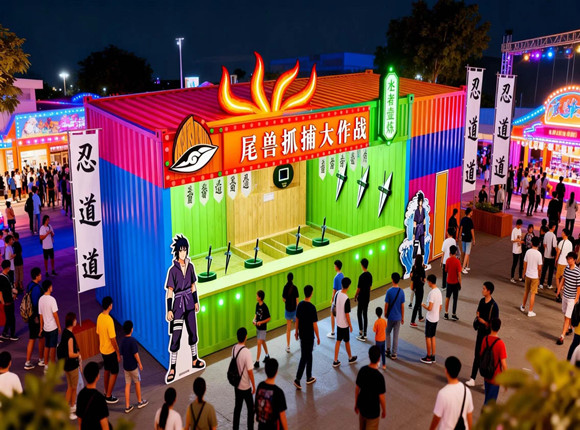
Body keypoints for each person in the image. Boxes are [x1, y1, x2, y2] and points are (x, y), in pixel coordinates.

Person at [465, 282, 499, 387]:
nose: (482, 290)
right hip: (480, 333)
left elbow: (495, 323)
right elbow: (478, 311)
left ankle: (487, 380)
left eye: (484, 289)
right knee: (477, 355)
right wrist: (478, 316)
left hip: (488, 336)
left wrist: (484, 322)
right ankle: (472, 378)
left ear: (489, 291)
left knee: (487, 358)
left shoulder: (494, 306)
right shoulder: (481, 301)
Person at [429, 356, 473, 430]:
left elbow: (437, 417)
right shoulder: (466, 391)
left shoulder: (443, 393)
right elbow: (469, 415)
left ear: (446, 370)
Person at [294, 284, 320, 389]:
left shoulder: (300, 305)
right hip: (309, 336)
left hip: (302, 334)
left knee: (308, 354)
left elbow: (297, 320)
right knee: (305, 356)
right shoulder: (312, 308)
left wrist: (296, 332)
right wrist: (318, 336)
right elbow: (314, 325)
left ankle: (309, 376)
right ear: (311, 293)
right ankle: (297, 379)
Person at [354, 345, 386, 429]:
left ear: (369, 356)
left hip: (362, 408)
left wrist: (356, 404)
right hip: (373, 412)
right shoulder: (379, 377)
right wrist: (384, 410)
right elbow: (381, 397)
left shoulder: (362, 370)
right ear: (379, 359)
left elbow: (357, 389)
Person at [119, 320, 148, 413]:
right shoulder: (133, 341)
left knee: (127, 384)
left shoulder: (122, 341)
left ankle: (127, 406)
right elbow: (136, 354)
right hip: (133, 367)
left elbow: (121, 354)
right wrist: (140, 363)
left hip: (126, 367)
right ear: (131, 329)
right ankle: (140, 401)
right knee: (137, 382)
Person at [96, 296, 120, 404]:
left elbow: (98, 333)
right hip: (110, 351)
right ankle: (109, 396)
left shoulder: (99, 317)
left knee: (107, 370)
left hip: (103, 350)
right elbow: (113, 339)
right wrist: (118, 353)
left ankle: (106, 391)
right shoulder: (109, 320)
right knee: (114, 372)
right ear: (110, 305)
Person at [59, 312, 81, 420]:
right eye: (75, 319)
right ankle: (71, 408)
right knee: (73, 388)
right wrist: (78, 355)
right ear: (72, 322)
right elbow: (71, 354)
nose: (76, 321)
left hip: (65, 365)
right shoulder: (70, 337)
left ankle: (66, 408)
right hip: (72, 365)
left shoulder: (65, 332)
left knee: (69, 387)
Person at [232, 327, 255, 430]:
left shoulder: (234, 348)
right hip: (245, 386)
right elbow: (250, 371)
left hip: (237, 385)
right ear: (246, 337)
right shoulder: (246, 352)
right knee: (251, 409)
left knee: (237, 408)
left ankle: (235, 428)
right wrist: (253, 385)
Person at [255, 358, 287, 430]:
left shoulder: (260, 386)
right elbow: (282, 416)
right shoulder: (278, 392)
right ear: (276, 372)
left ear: (265, 370)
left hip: (261, 426)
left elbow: (257, 404)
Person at [480, 318, 508, 404]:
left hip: (486, 374)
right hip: (495, 377)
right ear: (499, 328)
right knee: (490, 403)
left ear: (491, 326)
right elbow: (503, 364)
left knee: (487, 399)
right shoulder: (500, 344)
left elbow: (481, 355)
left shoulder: (485, 339)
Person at [77, 362, 110, 429]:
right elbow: (104, 425)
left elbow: (80, 419)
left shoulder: (81, 394)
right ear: (97, 377)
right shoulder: (99, 398)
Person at [556, 252, 580, 345]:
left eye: (570, 259)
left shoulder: (577, 272)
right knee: (565, 314)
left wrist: (576, 299)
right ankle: (570, 328)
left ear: (574, 260)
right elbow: (563, 279)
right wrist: (558, 290)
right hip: (565, 296)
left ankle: (562, 337)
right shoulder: (566, 268)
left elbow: (578, 288)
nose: (568, 260)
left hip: (571, 298)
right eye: (567, 258)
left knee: (567, 317)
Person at [333, 277, 358, 367]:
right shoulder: (346, 298)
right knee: (346, 341)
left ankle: (335, 360)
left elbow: (335, 305)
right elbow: (347, 314)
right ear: (349, 286)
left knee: (338, 341)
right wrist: (350, 325)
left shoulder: (337, 293)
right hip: (344, 324)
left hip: (338, 322)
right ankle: (350, 358)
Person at [24, 268, 45, 370]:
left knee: (32, 338)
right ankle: (41, 359)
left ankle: (28, 361)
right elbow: (37, 304)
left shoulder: (29, 285)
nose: (41, 276)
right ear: (36, 276)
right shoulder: (37, 288)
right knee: (41, 338)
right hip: (36, 317)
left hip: (30, 316)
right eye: (40, 275)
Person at [38, 279, 60, 371]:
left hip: (45, 328)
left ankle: (46, 365)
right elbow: (55, 315)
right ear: (49, 288)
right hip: (53, 327)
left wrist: (41, 328)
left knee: (47, 346)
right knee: (53, 347)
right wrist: (59, 327)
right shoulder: (52, 300)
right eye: (51, 286)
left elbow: (41, 315)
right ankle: (53, 365)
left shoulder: (41, 299)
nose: (52, 287)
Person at [421, 274, 442, 364]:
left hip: (430, 318)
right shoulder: (439, 291)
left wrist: (423, 305)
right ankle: (433, 356)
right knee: (433, 336)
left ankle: (428, 357)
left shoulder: (432, 293)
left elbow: (430, 308)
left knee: (428, 337)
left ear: (430, 282)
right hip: (436, 318)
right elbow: (440, 307)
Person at [384, 272, 405, 360]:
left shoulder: (389, 291)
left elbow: (386, 304)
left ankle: (388, 349)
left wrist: (385, 313)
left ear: (392, 279)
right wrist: (402, 317)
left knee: (387, 332)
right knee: (396, 335)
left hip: (391, 317)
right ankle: (394, 353)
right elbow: (402, 306)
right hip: (398, 317)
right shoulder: (401, 292)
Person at [521, 237, 542, 317]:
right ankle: (530, 311)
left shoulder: (528, 252)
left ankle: (523, 306)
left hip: (528, 274)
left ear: (532, 243)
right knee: (533, 294)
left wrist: (524, 273)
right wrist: (539, 276)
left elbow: (525, 264)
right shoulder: (539, 254)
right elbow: (539, 268)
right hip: (535, 276)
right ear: (539, 244)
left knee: (526, 291)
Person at [354, 258, 372, 341]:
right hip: (367, 297)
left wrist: (355, 296)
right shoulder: (370, 275)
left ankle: (360, 332)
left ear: (362, 265)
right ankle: (365, 333)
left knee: (359, 313)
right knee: (365, 314)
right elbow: (370, 287)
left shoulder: (361, 276)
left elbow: (358, 288)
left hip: (361, 297)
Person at [281, 272, 299, 353]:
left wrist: (287, 301)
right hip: (294, 310)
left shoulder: (285, 287)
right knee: (297, 326)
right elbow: (297, 300)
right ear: (292, 278)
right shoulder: (295, 287)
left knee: (288, 329)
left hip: (288, 310)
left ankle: (288, 346)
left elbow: (283, 299)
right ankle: (300, 339)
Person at [0, 260, 17, 341]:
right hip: (7, 301)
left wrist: (14, 293)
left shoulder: (8, 275)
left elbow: (10, 286)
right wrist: (2, 301)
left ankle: (4, 333)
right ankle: (12, 335)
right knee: (11, 318)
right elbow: (0, 291)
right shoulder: (1, 278)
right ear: (7, 268)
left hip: (9, 299)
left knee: (9, 318)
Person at [253, 290, 271, 368]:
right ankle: (267, 355)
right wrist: (254, 320)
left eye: (257, 296)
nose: (256, 297)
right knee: (263, 341)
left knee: (259, 344)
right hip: (258, 327)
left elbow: (269, 318)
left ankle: (257, 361)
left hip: (262, 329)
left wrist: (261, 322)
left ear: (260, 297)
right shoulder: (257, 305)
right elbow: (256, 314)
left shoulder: (265, 307)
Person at [555, 229, 574, 301]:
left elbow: (558, 253)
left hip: (561, 262)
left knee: (557, 278)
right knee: (563, 279)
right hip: (567, 263)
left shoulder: (561, 242)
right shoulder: (570, 243)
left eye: (562, 232)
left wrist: (556, 260)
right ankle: (562, 294)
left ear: (565, 234)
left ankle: (558, 293)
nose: (561, 233)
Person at [444, 245, 462, 321]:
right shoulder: (458, 262)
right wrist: (460, 284)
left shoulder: (447, 260)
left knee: (447, 297)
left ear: (450, 252)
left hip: (448, 282)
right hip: (455, 283)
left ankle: (446, 313)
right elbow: (459, 274)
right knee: (455, 299)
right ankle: (453, 314)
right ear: (456, 252)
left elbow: (446, 270)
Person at [328, 259, 344, 338]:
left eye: (334, 266)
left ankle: (332, 332)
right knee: (340, 314)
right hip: (341, 297)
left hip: (336, 298)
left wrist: (332, 299)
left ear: (337, 267)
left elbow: (334, 290)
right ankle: (341, 330)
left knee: (332, 314)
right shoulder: (342, 275)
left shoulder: (336, 278)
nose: (334, 267)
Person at [540, 223, 558, 289]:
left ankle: (541, 283)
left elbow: (544, 244)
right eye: (554, 227)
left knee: (544, 270)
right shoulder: (553, 235)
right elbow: (555, 246)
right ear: (553, 227)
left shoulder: (546, 234)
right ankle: (549, 284)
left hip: (546, 255)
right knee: (551, 271)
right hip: (551, 256)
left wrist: (547, 250)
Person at [410, 255, 425, 327]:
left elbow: (411, 275)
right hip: (420, 287)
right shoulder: (421, 269)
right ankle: (412, 321)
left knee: (418, 301)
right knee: (417, 303)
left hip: (415, 287)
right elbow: (424, 279)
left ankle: (420, 316)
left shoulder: (414, 267)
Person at [458, 208, 475, 273]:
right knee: (467, 253)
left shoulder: (463, 219)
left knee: (464, 251)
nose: (472, 213)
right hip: (468, 238)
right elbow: (472, 230)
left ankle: (462, 265)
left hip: (463, 237)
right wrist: (474, 239)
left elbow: (461, 228)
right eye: (471, 212)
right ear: (469, 212)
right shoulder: (470, 221)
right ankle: (463, 268)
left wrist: (460, 236)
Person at [413, 192, 427, 258]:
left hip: (422, 229)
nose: (420, 202)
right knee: (416, 245)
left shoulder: (423, 210)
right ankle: (414, 259)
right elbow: (414, 222)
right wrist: (414, 233)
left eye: (421, 201)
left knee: (422, 245)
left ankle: (422, 259)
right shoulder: (416, 211)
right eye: (419, 201)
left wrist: (425, 230)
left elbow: (424, 221)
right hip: (417, 229)